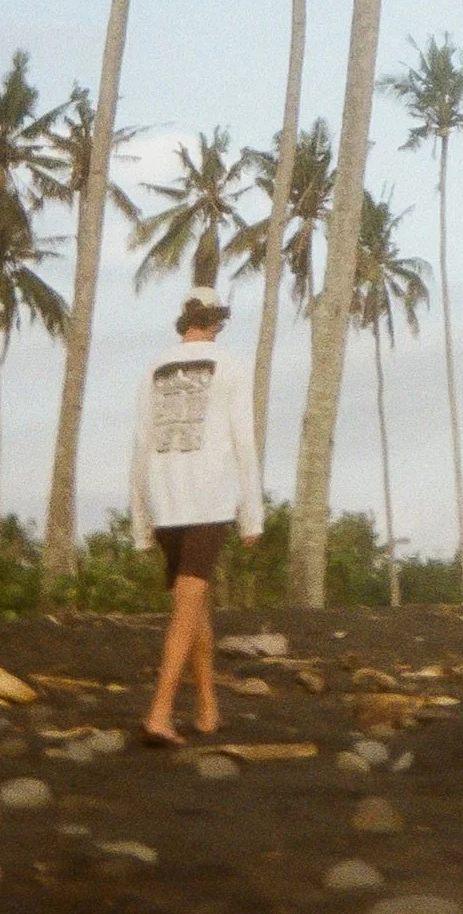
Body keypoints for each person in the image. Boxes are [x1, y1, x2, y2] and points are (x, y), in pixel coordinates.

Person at [129, 284, 264, 746]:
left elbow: (140, 443)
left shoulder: (153, 365)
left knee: (194, 603)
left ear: (184, 322)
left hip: (163, 497)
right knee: (188, 609)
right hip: (208, 499)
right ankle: (160, 713)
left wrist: (139, 517)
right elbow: (244, 441)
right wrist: (252, 514)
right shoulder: (233, 365)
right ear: (217, 323)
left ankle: (208, 709)